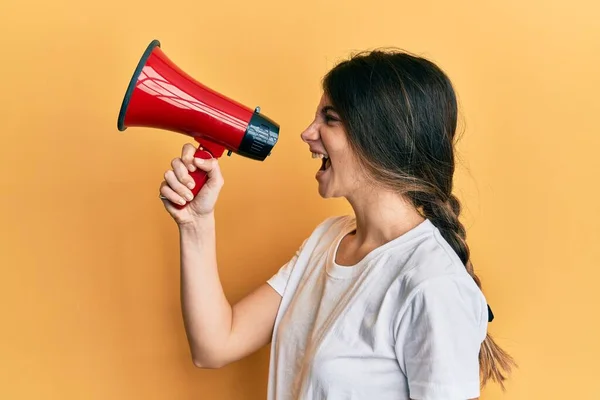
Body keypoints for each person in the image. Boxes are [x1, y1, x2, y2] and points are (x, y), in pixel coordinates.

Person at [158, 49, 516, 399]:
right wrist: (195, 224)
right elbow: (215, 345)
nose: (307, 133)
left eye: (329, 118)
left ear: (380, 137)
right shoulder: (326, 239)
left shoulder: (432, 283)